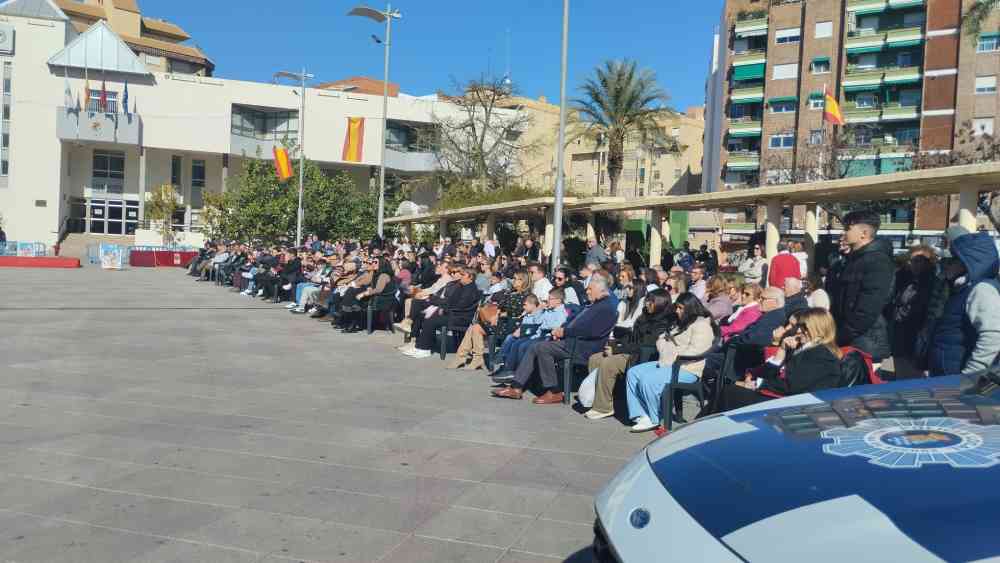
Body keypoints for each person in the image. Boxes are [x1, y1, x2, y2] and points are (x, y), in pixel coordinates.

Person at [491, 275, 617, 404]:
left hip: (584, 347)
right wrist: (560, 330)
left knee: (541, 347)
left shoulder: (606, 308)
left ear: (600, 290)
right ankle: (517, 386)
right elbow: (573, 322)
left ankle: (553, 390)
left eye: (590, 289)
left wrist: (564, 332)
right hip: (573, 341)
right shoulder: (593, 305)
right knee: (537, 346)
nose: (587, 291)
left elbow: (592, 331)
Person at [714, 308, 843, 411]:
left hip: (798, 406)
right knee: (730, 391)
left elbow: (791, 386)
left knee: (731, 393)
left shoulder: (821, 354)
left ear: (818, 331)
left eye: (804, 327)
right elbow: (771, 374)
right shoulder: (804, 347)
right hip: (786, 397)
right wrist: (781, 350)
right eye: (799, 326)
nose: (798, 330)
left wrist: (757, 384)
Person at [624, 293, 716, 432]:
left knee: (648, 380)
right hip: (668, 362)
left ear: (690, 308)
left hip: (688, 369)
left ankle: (653, 418)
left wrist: (670, 349)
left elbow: (695, 351)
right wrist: (668, 347)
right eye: (677, 307)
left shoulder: (702, 325)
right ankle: (641, 415)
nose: (677, 311)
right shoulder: (681, 322)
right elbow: (661, 339)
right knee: (633, 373)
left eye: (681, 308)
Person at [585, 290, 676, 420]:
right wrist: (615, 345)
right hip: (631, 350)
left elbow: (645, 344)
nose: (647, 304)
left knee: (609, 363)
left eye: (651, 302)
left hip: (643, 356)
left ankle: (604, 407)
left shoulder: (664, 322)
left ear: (660, 303)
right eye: (647, 300)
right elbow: (632, 337)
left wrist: (617, 351)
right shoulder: (644, 316)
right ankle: (597, 399)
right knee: (595, 359)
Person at [928, 230, 1000, 376]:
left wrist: (971, 375)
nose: (945, 265)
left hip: (960, 380)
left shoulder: (982, 290)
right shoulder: (960, 288)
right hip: (947, 373)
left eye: (950, 260)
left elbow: (993, 337)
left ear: (967, 263)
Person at [827, 210, 895, 362]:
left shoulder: (877, 261)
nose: (844, 232)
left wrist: (841, 335)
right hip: (850, 339)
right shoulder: (853, 259)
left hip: (866, 343)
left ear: (863, 233)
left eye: (848, 228)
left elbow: (867, 308)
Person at [408, 266, 481, 359]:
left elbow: (460, 306)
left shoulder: (471, 290)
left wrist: (443, 309)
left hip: (460, 318)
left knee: (431, 319)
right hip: (453, 314)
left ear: (471, 277)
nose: (461, 276)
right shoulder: (461, 286)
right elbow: (450, 301)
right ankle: (419, 345)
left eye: (463, 275)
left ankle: (424, 349)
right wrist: (438, 304)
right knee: (425, 314)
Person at [890, 246, 935, 371]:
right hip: (897, 334)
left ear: (928, 263)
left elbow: (917, 309)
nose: (912, 264)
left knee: (908, 377)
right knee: (889, 372)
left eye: (917, 261)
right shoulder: (905, 279)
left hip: (915, 337)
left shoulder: (932, 284)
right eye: (911, 260)